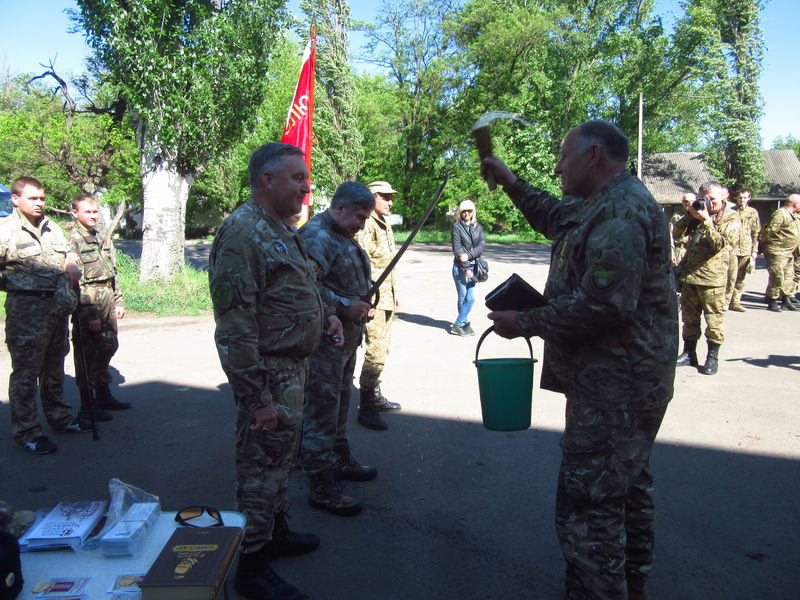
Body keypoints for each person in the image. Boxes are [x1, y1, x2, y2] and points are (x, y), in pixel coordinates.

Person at [481, 120, 678, 600]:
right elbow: (554, 215)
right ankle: (632, 585)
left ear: (593, 155)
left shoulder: (621, 214)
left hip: (616, 389)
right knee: (626, 488)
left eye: (564, 156)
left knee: (590, 507)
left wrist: (523, 323)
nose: (556, 165)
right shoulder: (597, 204)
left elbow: (604, 306)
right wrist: (508, 181)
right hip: (620, 384)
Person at [209, 143, 344, 600]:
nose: (307, 188)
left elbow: (299, 284)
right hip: (268, 374)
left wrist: (323, 314)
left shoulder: (281, 229)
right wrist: (256, 399)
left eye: (305, 179)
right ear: (268, 180)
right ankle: (251, 565)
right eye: (297, 179)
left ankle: (276, 531)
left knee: (280, 462)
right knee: (259, 470)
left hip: (293, 369)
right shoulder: (242, 234)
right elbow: (235, 325)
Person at [299, 182, 376, 517]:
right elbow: (305, 286)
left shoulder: (343, 234)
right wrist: (344, 304)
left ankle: (339, 459)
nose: (362, 225)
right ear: (340, 207)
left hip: (346, 337)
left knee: (342, 401)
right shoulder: (317, 236)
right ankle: (321, 484)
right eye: (359, 217)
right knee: (321, 409)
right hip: (325, 340)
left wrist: (360, 303)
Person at [0, 177, 93, 455]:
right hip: (26, 310)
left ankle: (60, 418)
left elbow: (67, 255)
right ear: (16, 199)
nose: (40, 203)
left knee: (54, 368)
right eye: (33, 198)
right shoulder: (5, 231)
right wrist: (16, 284)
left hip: (57, 307)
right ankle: (27, 430)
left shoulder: (53, 228)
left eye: (42, 198)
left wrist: (71, 266)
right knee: (26, 373)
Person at [66, 194, 130, 424]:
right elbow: (76, 282)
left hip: (107, 297)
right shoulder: (74, 239)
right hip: (88, 301)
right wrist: (89, 312)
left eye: (95, 212)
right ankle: (87, 403)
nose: (93, 216)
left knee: (109, 345)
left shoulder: (101, 236)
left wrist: (119, 300)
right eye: (87, 212)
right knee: (87, 354)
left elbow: (113, 272)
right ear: (75, 213)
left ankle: (103, 394)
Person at [673, 182, 740, 375]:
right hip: (691, 275)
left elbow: (720, 243)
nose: (709, 203)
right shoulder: (698, 214)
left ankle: (712, 357)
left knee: (714, 320)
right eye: (705, 199)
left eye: (713, 199)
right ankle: (689, 353)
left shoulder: (731, 217)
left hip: (713, 279)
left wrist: (707, 221)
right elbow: (676, 233)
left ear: (724, 197)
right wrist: (691, 214)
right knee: (689, 319)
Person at [355, 181, 402, 432]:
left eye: (391, 197)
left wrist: (394, 293)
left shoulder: (385, 224)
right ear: (372, 197)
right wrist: (367, 299)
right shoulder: (367, 224)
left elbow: (388, 263)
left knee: (383, 350)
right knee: (375, 352)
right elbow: (362, 264)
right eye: (384, 197)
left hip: (385, 297)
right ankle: (366, 407)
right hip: (373, 300)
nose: (390, 201)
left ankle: (375, 393)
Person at [450, 199, 485, 336]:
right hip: (460, 268)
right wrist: (467, 268)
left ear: (473, 212)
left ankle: (459, 323)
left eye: (469, 210)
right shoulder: (457, 228)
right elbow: (458, 250)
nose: (467, 213)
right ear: (460, 212)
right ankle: (463, 324)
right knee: (463, 297)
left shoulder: (478, 227)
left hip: (474, 266)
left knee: (471, 298)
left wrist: (470, 255)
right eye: (464, 211)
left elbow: (481, 246)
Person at [760, 194, 800, 312]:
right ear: (795, 204)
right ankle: (772, 300)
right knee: (777, 276)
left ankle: (785, 300)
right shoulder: (780, 214)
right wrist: (763, 246)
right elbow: (769, 231)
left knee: (788, 276)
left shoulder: (794, 215)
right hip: (777, 251)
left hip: (789, 252)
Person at [726, 189, 760, 311]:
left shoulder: (752, 212)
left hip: (746, 248)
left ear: (749, 198)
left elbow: (755, 232)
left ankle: (735, 302)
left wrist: (755, 251)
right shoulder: (730, 211)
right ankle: (726, 301)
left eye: (744, 198)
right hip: (732, 248)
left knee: (741, 277)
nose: (742, 200)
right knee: (731, 276)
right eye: (740, 197)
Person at [670, 193, 695, 267]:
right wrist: (671, 253)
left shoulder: (700, 215)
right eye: (686, 201)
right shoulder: (676, 217)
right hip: (680, 250)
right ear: (682, 202)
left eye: (692, 201)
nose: (689, 204)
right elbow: (669, 235)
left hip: (695, 251)